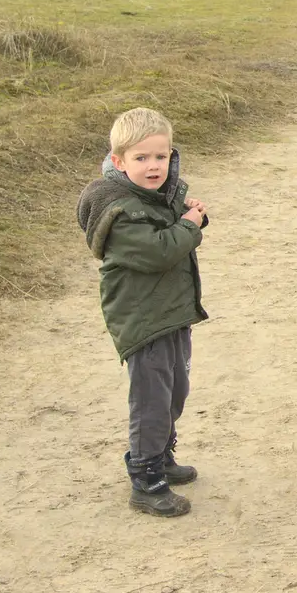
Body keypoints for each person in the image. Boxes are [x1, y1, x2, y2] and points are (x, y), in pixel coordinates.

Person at [75, 107, 209, 517]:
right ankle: (146, 477)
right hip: (143, 319)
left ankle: (162, 455)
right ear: (118, 162)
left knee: (175, 390)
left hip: (169, 312)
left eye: (161, 156)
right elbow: (157, 251)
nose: (154, 166)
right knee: (151, 399)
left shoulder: (153, 196)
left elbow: (173, 229)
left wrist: (191, 215)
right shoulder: (119, 211)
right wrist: (189, 225)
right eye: (142, 158)